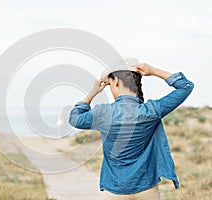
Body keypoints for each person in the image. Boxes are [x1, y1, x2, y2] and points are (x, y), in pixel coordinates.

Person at [68, 60, 194, 200]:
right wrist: (154, 71)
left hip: (115, 190)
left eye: (110, 84)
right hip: (146, 189)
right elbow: (186, 86)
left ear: (115, 82)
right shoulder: (151, 111)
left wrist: (92, 93)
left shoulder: (103, 113)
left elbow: (74, 118)